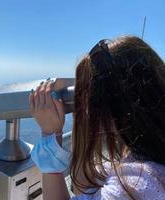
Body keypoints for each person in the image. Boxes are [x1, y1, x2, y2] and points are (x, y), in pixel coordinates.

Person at [29, 36, 165, 200]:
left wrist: (49, 136)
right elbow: (85, 189)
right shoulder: (148, 158)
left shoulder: (133, 185)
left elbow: (83, 189)